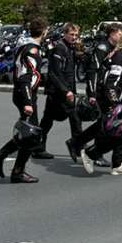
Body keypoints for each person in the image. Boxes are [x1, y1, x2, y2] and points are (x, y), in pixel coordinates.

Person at [0, 19, 46, 183]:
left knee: (28, 133)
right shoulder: (32, 50)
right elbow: (25, 78)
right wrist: (28, 101)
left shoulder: (25, 47)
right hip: (24, 94)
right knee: (31, 135)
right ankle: (14, 168)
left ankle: (3, 158)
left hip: (23, 94)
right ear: (44, 32)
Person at [76, 28, 122, 175]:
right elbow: (111, 83)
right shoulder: (120, 56)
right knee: (118, 132)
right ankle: (92, 154)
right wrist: (115, 104)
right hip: (115, 103)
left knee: (120, 133)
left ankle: (117, 163)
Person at [37, 23, 83, 160]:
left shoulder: (70, 48)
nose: (74, 37)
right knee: (74, 118)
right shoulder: (59, 48)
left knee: (48, 120)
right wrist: (66, 91)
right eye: (71, 34)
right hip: (58, 92)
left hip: (65, 90)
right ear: (65, 34)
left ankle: (38, 146)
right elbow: (54, 73)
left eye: (76, 35)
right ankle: (77, 146)